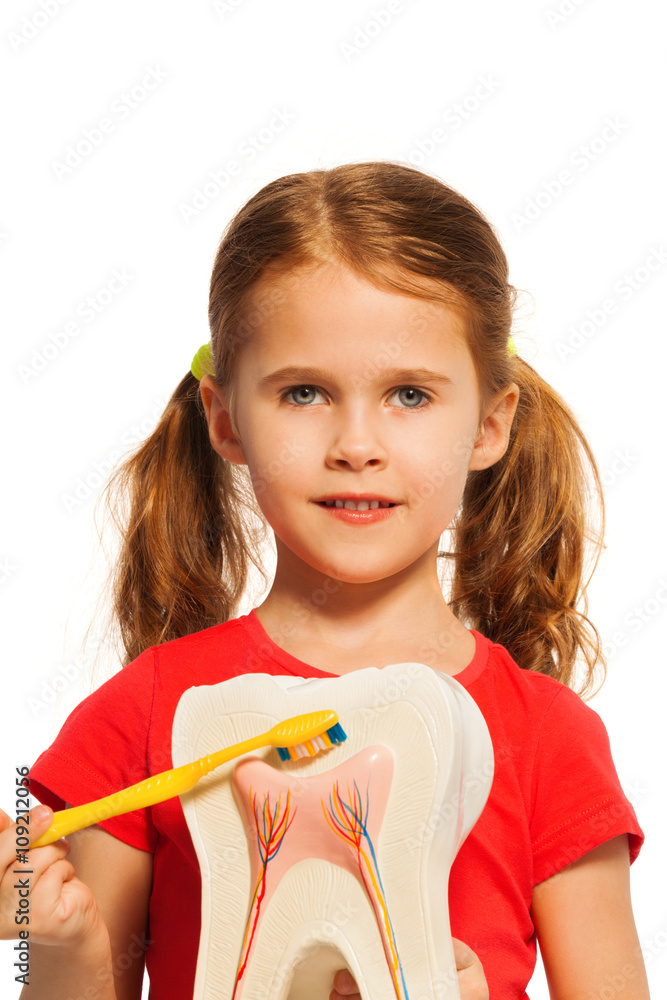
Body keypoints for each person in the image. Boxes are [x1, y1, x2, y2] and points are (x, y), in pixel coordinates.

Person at [0, 161, 650, 1000]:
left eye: (409, 395)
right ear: (224, 419)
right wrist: (54, 938)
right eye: (303, 392)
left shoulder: (549, 739)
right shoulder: (143, 715)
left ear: (489, 424)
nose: (355, 443)